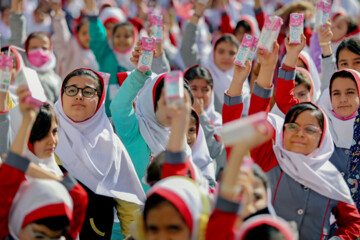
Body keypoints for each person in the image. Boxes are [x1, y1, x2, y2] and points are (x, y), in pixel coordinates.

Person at [236, 41, 360, 239]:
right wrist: (270, 67)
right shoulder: (271, 160)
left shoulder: (331, 178)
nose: (299, 133)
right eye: (292, 126)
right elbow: (257, 116)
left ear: (322, 137)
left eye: (310, 129)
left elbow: (353, 222)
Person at [54, 68, 145, 239]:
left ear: (100, 99)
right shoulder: (44, 133)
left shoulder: (111, 145)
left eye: (88, 92)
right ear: (61, 95)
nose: (79, 96)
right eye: (72, 90)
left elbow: (128, 205)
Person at [0, 83, 88, 240]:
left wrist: (32, 170)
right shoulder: (14, 183)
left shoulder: (56, 168)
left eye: (55, 131)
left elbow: (80, 199)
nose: (52, 141)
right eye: (41, 134)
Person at [84, 0, 170, 117]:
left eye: (127, 36)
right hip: (108, 117)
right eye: (118, 36)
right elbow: (97, 38)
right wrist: (92, 14)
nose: (122, 40)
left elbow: (159, 77)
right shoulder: (106, 56)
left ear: (134, 38)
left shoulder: (139, 58)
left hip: (135, 119)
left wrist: (158, 45)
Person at [180, 0, 251, 115]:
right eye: (221, 51)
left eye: (232, 53)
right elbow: (187, 49)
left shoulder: (242, 78)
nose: (226, 57)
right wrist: (197, 14)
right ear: (213, 53)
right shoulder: (204, 71)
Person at [0, 85, 63, 177]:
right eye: (43, 134)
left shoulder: (58, 172)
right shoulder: (10, 180)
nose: (52, 140)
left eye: (54, 131)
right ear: (22, 133)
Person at [8, 0, 61, 105]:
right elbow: (17, 37)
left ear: (51, 50)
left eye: (44, 48)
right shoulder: (22, 73)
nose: (39, 51)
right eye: (34, 47)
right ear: (26, 51)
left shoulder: (57, 80)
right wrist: (16, 11)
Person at [184, 65, 226, 178]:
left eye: (205, 89)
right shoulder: (175, 114)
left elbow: (214, 151)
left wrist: (201, 115)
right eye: (194, 88)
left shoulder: (216, 119)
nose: (199, 95)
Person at [50, 0, 99, 79]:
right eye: (84, 33)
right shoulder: (71, 48)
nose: (88, 37)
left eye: (91, 33)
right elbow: (61, 34)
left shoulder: (99, 51)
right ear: (77, 34)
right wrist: (57, 13)